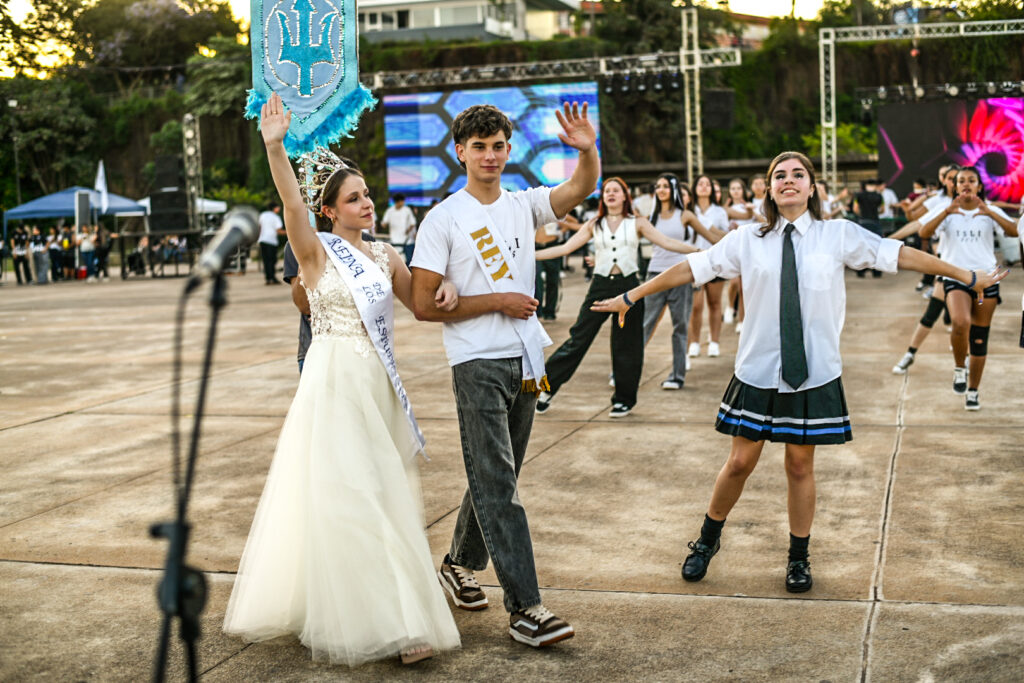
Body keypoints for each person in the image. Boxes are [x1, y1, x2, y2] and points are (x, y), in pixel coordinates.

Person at [592, 151, 1006, 594]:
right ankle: (706, 542)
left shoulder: (837, 235)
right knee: (739, 462)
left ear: (812, 188)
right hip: (758, 369)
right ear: (770, 188)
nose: (788, 181)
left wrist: (965, 274)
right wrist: (631, 296)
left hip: (813, 372)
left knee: (799, 466)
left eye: (798, 175)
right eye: (779, 176)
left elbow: (901, 255)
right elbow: (691, 268)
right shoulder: (746, 238)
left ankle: (798, 558)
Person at [223, 93, 462, 667]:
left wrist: (448, 289)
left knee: (383, 494)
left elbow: (421, 304)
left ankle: (385, 609)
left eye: (368, 195)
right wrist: (275, 146)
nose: (368, 204)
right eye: (355, 199)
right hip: (331, 385)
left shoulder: (385, 257)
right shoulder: (315, 256)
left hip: (375, 386)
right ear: (330, 211)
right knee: (347, 498)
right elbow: (289, 205)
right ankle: (393, 621)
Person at [409, 101, 598, 648]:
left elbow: (579, 189)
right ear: (460, 152)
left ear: (508, 152)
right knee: (499, 484)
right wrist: (497, 300)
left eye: (498, 147)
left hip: (525, 358)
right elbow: (423, 303)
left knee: (499, 475)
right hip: (475, 361)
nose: (489, 156)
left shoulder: (522, 204)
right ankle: (527, 608)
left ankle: (458, 562)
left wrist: (586, 152)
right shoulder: (444, 218)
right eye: (480, 147)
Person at [533, 177, 704, 416]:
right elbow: (565, 249)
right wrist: (530, 256)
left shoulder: (638, 222)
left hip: (629, 287)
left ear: (625, 196)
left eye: (616, 191)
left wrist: (699, 251)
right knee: (578, 339)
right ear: (603, 198)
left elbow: (666, 242)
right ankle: (545, 389)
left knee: (627, 345)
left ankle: (623, 400)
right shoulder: (595, 223)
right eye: (607, 191)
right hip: (600, 285)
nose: (611, 194)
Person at [918, 166, 1018, 410]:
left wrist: (989, 212)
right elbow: (924, 232)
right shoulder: (947, 210)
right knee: (960, 322)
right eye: (961, 181)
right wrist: (945, 212)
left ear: (979, 186)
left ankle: (973, 390)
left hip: (987, 280)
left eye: (971, 180)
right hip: (957, 278)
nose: (966, 184)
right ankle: (959, 368)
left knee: (980, 339)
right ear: (954, 186)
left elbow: (1015, 231)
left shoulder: (989, 210)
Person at [642, 173, 725, 390]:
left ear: (674, 190)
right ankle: (625, 372)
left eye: (665, 187)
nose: (661, 190)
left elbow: (709, 236)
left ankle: (677, 376)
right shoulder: (650, 216)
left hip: (681, 275)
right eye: (658, 186)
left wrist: (737, 241)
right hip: (655, 275)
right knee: (645, 324)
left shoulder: (685, 215)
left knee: (680, 326)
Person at [688, 175, 746, 359]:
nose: (704, 187)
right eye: (700, 184)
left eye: (707, 184)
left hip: (714, 261)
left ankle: (714, 341)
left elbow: (725, 236)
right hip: (693, 260)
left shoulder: (719, 211)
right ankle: (694, 342)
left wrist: (711, 227)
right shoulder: (689, 209)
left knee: (714, 303)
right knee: (695, 306)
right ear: (694, 188)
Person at [381, 194, 417, 264]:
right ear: (398, 202)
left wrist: (407, 231)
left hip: (406, 241)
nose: (403, 202)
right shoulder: (390, 211)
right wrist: (384, 225)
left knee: (408, 261)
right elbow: (384, 222)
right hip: (394, 240)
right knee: (395, 261)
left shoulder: (407, 210)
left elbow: (413, 223)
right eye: (402, 201)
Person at [257, 202, 284, 284]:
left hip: (262, 240)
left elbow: (259, 227)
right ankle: (272, 277)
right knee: (272, 260)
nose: (279, 209)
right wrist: (289, 233)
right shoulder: (276, 217)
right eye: (278, 207)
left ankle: (268, 278)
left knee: (266, 260)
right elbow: (278, 231)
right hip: (271, 241)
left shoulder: (263, 215)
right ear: (275, 208)